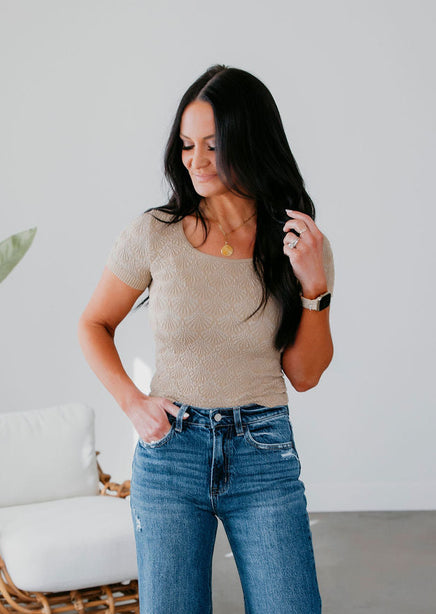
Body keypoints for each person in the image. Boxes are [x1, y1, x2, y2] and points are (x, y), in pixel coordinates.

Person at [78, 64, 334, 614]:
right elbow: (93, 323)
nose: (195, 160)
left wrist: (315, 287)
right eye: (188, 144)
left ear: (250, 140)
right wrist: (133, 403)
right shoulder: (154, 234)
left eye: (213, 146)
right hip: (172, 453)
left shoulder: (297, 242)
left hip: (262, 452)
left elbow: (305, 374)